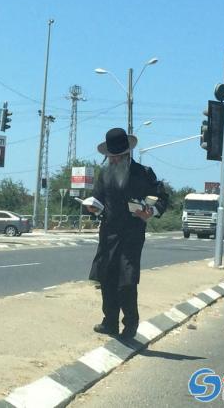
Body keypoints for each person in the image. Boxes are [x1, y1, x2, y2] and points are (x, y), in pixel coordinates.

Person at [87, 127, 167, 339]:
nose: (113, 161)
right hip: (108, 234)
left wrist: (150, 211)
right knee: (107, 278)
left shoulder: (144, 173)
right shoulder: (104, 175)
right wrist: (92, 208)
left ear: (126, 155)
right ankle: (109, 322)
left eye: (116, 157)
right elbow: (97, 200)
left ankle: (130, 325)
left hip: (132, 234)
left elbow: (161, 198)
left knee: (126, 281)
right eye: (110, 158)